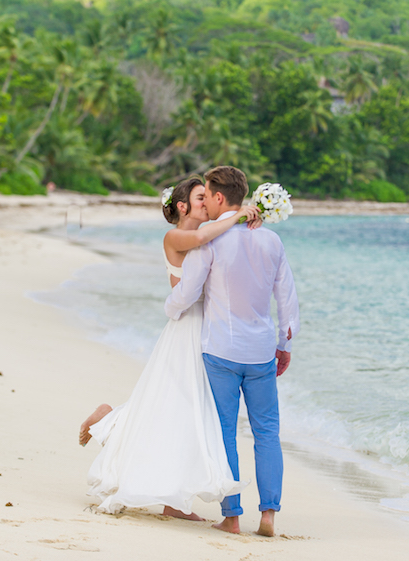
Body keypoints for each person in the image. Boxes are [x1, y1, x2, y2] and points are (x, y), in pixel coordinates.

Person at [79, 176, 261, 521]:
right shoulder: (176, 236)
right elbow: (201, 238)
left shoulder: (212, 234)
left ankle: (172, 499)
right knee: (180, 406)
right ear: (183, 206)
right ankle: (109, 421)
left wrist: (250, 226)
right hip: (187, 327)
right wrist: (236, 214)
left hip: (206, 327)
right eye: (200, 197)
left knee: (179, 409)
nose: (207, 202)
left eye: (208, 197)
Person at [164, 166, 300, 537]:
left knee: (224, 432)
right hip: (260, 352)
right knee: (267, 432)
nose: (205, 201)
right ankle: (269, 514)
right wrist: (284, 345)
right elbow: (287, 299)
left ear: (220, 197)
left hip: (220, 351)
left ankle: (233, 516)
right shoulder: (272, 241)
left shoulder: (210, 242)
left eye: (207, 194)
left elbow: (189, 291)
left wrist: (170, 309)